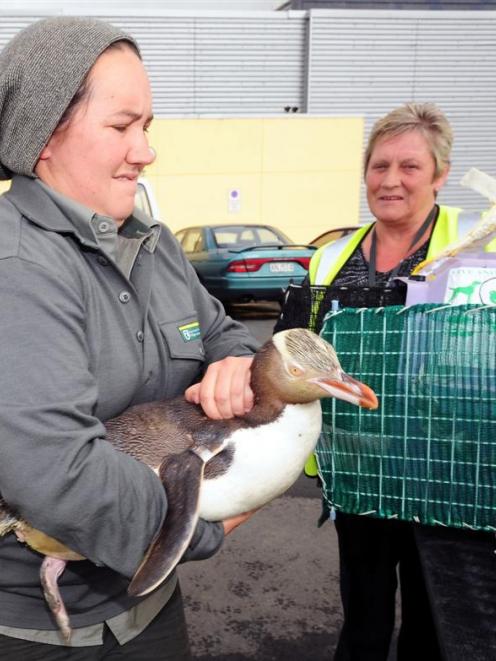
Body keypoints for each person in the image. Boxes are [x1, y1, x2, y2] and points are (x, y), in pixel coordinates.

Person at [0, 16, 259, 660]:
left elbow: (227, 333)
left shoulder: (155, 244)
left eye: (147, 127)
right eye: (122, 126)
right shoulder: (18, 269)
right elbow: (59, 475)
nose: (145, 150)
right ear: (43, 136)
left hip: (148, 608)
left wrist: (235, 363)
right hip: (36, 633)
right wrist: (207, 527)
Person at [279, 102, 478, 660]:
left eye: (410, 167)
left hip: (443, 470)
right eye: (379, 165)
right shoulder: (331, 258)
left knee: (432, 622)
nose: (390, 180)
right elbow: (295, 348)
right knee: (362, 616)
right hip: (359, 466)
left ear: (439, 174)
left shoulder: (479, 250)